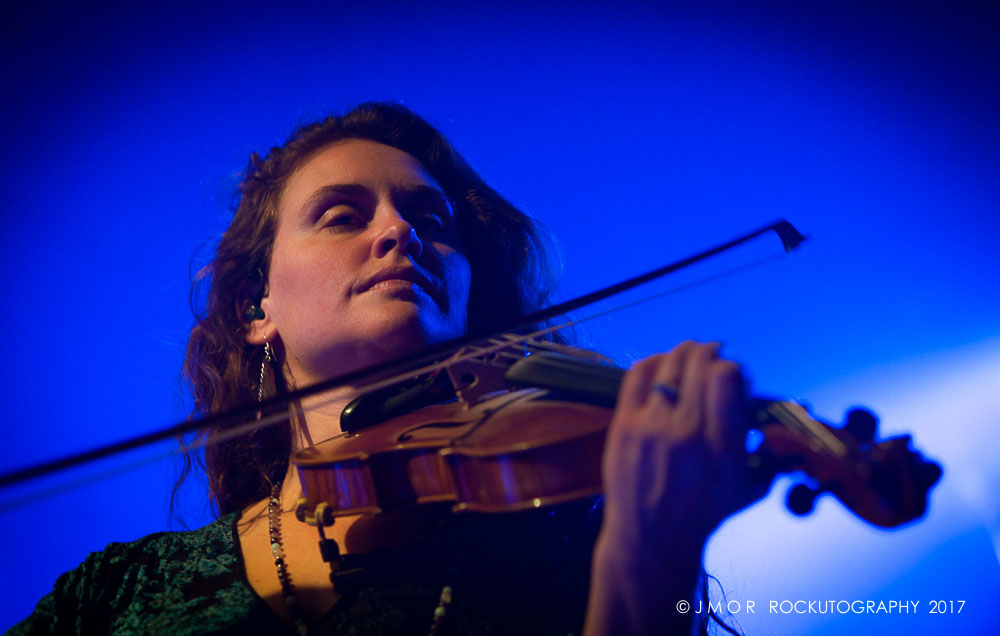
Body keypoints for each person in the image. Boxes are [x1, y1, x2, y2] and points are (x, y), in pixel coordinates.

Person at [8, 102, 766, 635]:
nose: (401, 231)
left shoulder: (567, 550)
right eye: (343, 214)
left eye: (432, 221)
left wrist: (648, 561)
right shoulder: (113, 598)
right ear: (254, 309)